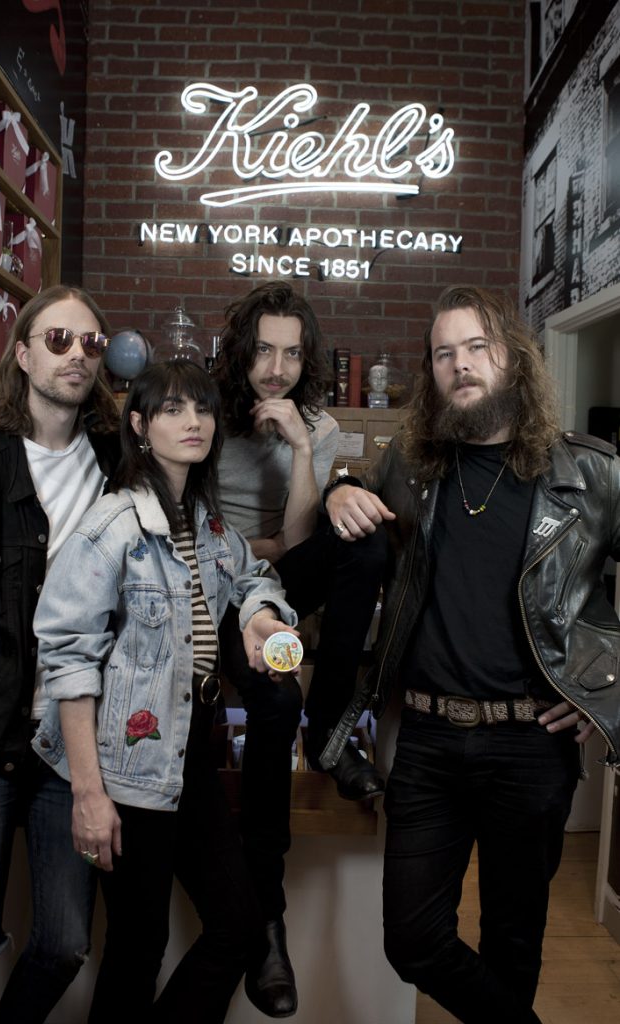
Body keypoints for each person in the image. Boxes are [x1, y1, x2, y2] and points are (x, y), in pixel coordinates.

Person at [320, 284, 620, 1024]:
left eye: (477, 347)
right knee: (412, 940)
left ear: (514, 359)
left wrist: (602, 686)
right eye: (443, 353)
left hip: (530, 742)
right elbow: (356, 515)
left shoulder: (590, 474)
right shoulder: (410, 467)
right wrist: (336, 495)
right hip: (427, 741)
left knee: (513, 942)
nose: (460, 364)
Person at [31, 361, 300, 1023]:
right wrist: (89, 796)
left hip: (189, 758)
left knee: (238, 926)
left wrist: (261, 615)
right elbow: (68, 662)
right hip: (126, 770)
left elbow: (255, 576)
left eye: (203, 409)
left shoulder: (207, 524)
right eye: (173, 409)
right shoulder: (111, 527)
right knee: (136, 950)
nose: (194, 422)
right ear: (139, 426)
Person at [0, 285, 120, 1023]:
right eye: (58, 340)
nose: (77, 354)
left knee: (66, 942)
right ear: (22, 355)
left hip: (67, 742)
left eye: (91, 343)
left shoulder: (116, 466)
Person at [213, 281, 387, 1017]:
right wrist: (258, 548)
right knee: (273, 701)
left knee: (366, 543)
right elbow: (207, 543)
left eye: (290, 353)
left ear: (306, 358)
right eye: (263, 351)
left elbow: (301, 540)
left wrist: (304, 451)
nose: (276, 369)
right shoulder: (204, 415)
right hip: (215, 589)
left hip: (279, 579)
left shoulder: (317, 425)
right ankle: (268, 923)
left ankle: (330, 729)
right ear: (240, 353)